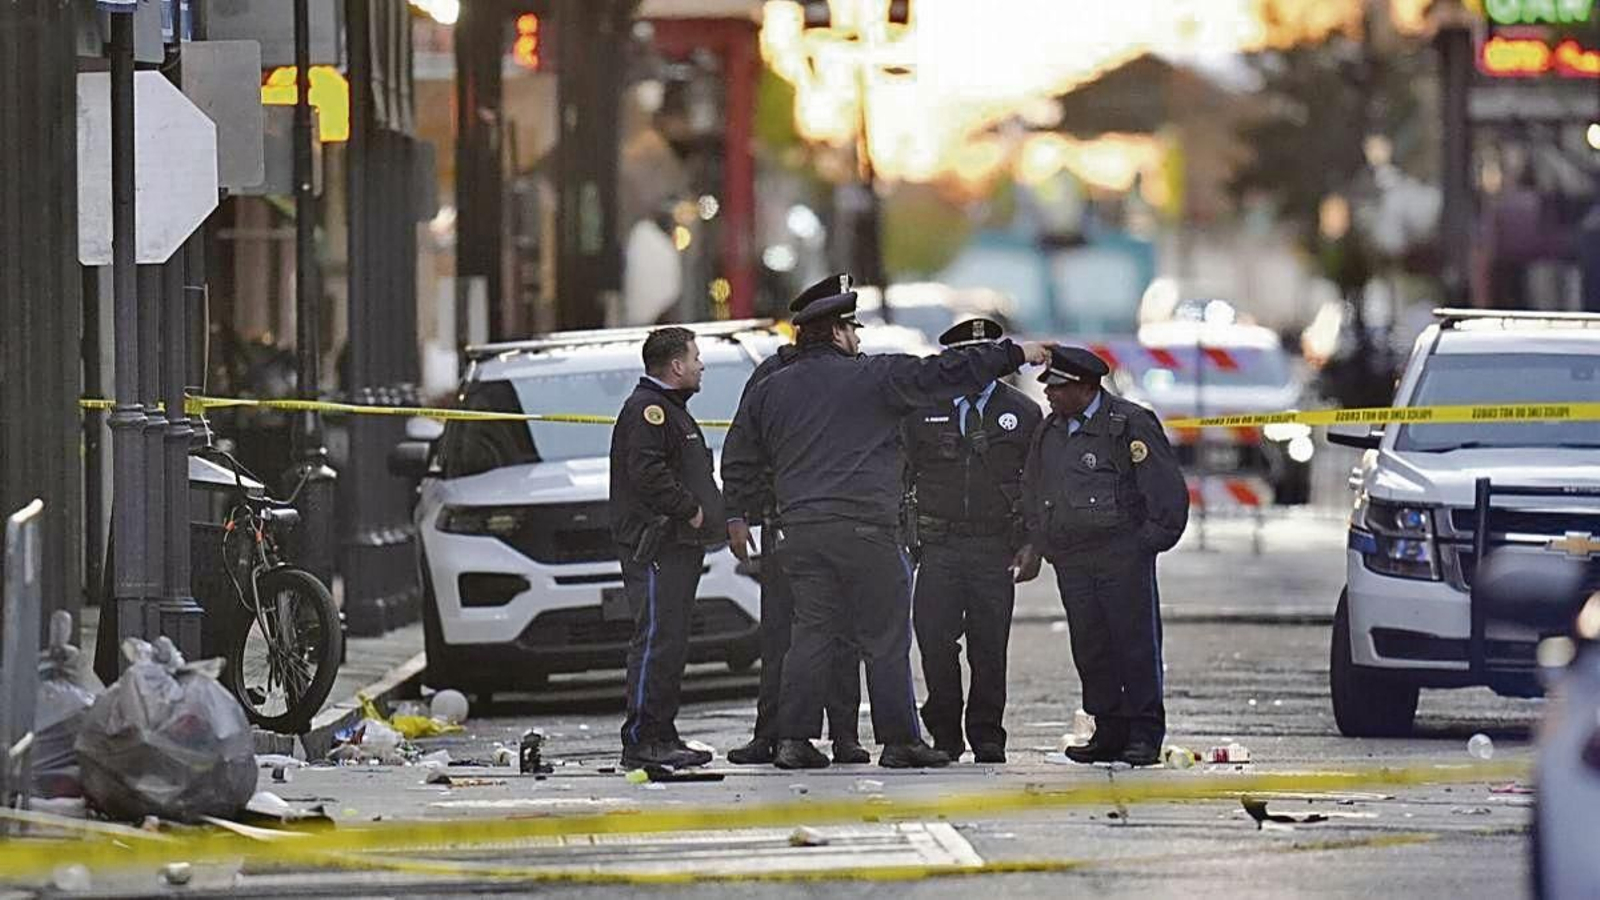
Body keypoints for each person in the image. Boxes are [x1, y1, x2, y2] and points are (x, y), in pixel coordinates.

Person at [723, 276, 1052, 769]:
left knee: (811, 635)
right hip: (866, 531)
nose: (858, 337)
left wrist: (739, 513)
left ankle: (792, 740)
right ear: (835, 332)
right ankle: (899, 741)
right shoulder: (874, 377)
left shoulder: (772, 387)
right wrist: (1015, 353)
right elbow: (945, 371)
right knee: (883, 637)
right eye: (852, 328)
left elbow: (741, 452)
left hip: (802, 531)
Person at [1020, 346, 1188, 767]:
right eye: (1048, 387)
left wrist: (1143, 546)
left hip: (1121, 557)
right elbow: (1034, 489)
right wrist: (1045, 543)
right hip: (1073, 558)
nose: (1050, 395)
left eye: (1058, 387)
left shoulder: (1128, 424)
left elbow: (1166, 494)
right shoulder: (1051, 431)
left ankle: (1144, 734)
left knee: (1133, 645)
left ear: (1087, 386)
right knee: (1091, 646)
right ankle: (1108, 729)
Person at [725, 276, 867, 766]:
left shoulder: (858, 373)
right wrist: (738, 515)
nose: (856, 337)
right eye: (848, 326)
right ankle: (773, 734)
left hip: (840, 521)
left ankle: (845, 735)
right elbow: (742, 449)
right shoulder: (772, 375)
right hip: (784, 520)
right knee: (781, 634)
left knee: (844, 634)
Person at [903, 318, 1043, 764]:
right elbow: (901, 472)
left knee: (989, 646)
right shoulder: (923, 409)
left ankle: (987, 735)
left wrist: (1032, 544)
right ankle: (944, 732)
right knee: (934, 641)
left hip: (992, 546)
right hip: (938, 545)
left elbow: (1036, 485)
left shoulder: (1022, 412)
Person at [609, 327, 725, 770]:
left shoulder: (668, 409)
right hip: (659, 544)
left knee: (671, 641)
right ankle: (642, 739)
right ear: (675, 365)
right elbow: (648, 473)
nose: (700, 366)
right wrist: (690, 509)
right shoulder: (649, 411)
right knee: (657, 639)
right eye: (695, 358)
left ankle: (663, 733)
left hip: (678, 546)